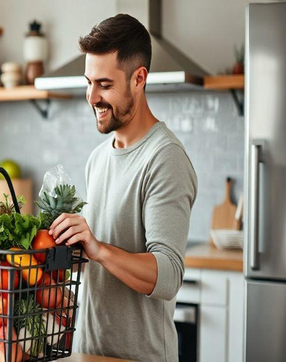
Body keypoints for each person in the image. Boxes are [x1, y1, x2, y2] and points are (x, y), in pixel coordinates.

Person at [48, 14, 198, 361]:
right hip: (89, 351)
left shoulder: (165, 158)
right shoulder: (98, 158)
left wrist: (97, 249)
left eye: (104, 84)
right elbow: (96, 260)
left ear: (138, 79)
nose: (91, 97)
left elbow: (168, 274)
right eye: (88, 82)